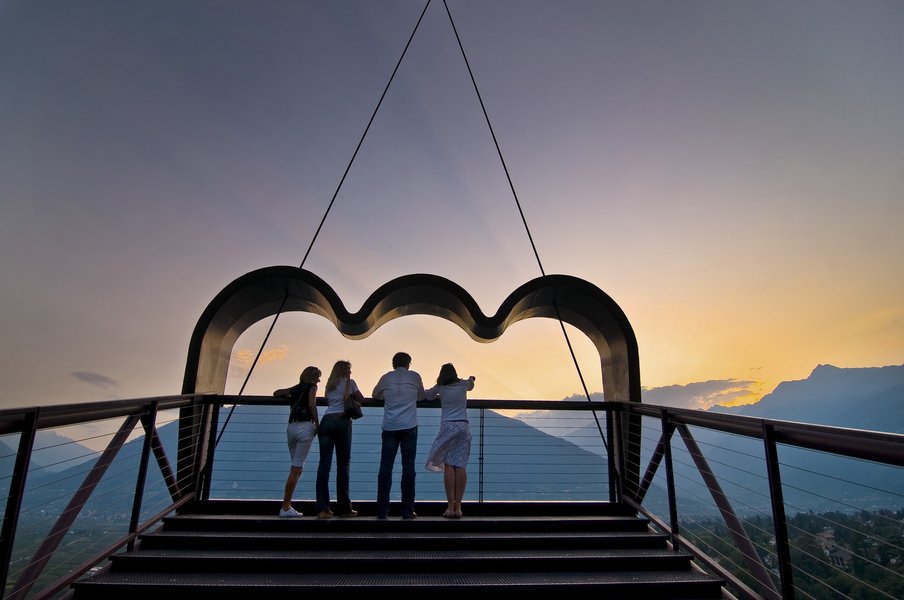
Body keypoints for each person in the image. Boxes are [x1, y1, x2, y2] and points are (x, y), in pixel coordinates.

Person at [371, 351, 426, 519]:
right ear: (409, 363)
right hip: (409, 427)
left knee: (385, 469)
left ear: (393, 363)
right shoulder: (415, 377)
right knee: (408, 469)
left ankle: (382, 511)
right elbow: (422, 396)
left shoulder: (386, 377)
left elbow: (375, 395)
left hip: (390, 427)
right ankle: (407, 511)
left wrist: (386, 396)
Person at [424, 363, 475, 518]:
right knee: (460, 465)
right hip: (463, 426)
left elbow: (427, 395)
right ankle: (459, 507)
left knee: (449, 466)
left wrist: (439, 395)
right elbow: (471, 385)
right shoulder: (463, 385)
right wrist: (471, 378)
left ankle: (450, 507)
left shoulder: (440, 387)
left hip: (447, 426)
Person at [315, 360, 363, 519]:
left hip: (326, 421)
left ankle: (323, 509)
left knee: (324, 465)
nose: (350, 373)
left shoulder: (329, 385)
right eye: (349, 369)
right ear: (345, 371)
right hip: (342, 422)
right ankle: (344, 509)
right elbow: (360, 398)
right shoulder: (350, 383)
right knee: (343, 465)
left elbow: (328, 401)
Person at [273, 365, 321, 518]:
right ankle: (285, 507)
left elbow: (276, 393)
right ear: (313, 377)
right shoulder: (313, 387)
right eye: (318, 377)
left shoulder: (296, 388)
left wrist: (291, 394)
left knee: (295, 466)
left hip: (291, 427)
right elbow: (312, 405)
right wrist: (317, 424)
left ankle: (287, 505)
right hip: (305, 426)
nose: (319, 380)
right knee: (297, 469)